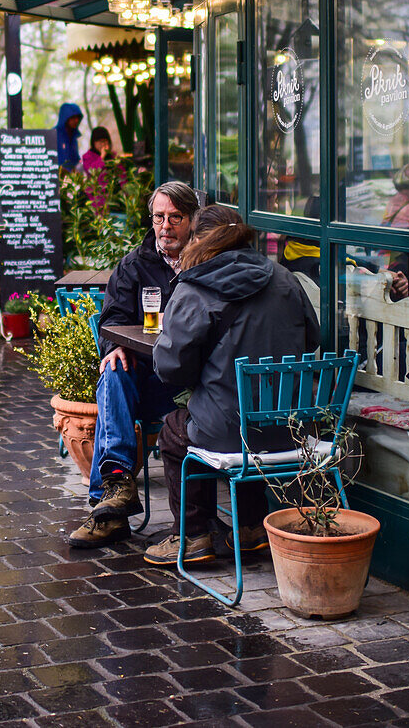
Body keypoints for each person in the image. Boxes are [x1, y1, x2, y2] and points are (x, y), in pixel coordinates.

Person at [145, 204, 320, 566]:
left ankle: (193, 537)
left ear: (197, 240)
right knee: (245, 412)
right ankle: (251, 528)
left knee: (175, 431)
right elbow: (314, 337)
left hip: (230, 431)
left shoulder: (194, 287)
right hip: (291, 426)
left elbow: (169, 367)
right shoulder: (283, 277)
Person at [68, 180, 199, 549]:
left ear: (191, 220)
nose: (166, 226)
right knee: (113, 372)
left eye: (175, 217)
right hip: (148, 381)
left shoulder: (205, 263)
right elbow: (111, 319)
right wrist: (113, 346)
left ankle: (106, 513)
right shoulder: (135, 265)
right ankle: (118, 483)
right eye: (159, 217)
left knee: (114, 384)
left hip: (190, 383)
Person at [54, 103, 83, 171]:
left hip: (71, 178)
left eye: (78, 118)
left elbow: (75, 160)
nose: (76, 120)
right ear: (65, 118)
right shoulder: (54, 135)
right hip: (56, 177)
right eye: (73, 118)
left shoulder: (73, 137)